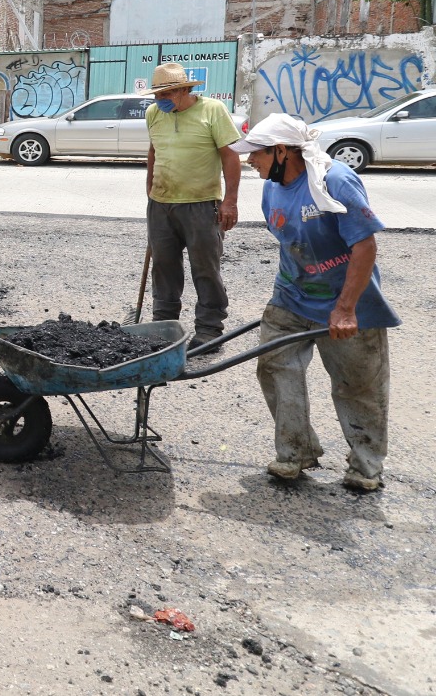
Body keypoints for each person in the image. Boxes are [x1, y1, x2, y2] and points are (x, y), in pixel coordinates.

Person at [230, 114, 399, 492]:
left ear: (280, 150)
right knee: (275, 368)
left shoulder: (334, 181)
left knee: (357, 386)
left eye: (255, 154)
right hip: (291, 297)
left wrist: (345, 308)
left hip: (347, 304)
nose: (249, 161)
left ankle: (366, 466)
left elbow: (364, 245)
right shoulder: (273, 185)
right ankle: (295, 452)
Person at [143, 62, 242, 349]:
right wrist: (150, 187)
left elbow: (230, 156)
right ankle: (163, 326)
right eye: (157, 95)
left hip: (201, 204)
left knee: (205, 268)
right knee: (163, 267)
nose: (160, 100)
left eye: (167, 94)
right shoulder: (153, 114)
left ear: (185, 90)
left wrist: (230, 201)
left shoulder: (212, 110)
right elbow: (153, 150)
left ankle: (210, 330)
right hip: (161, 205)